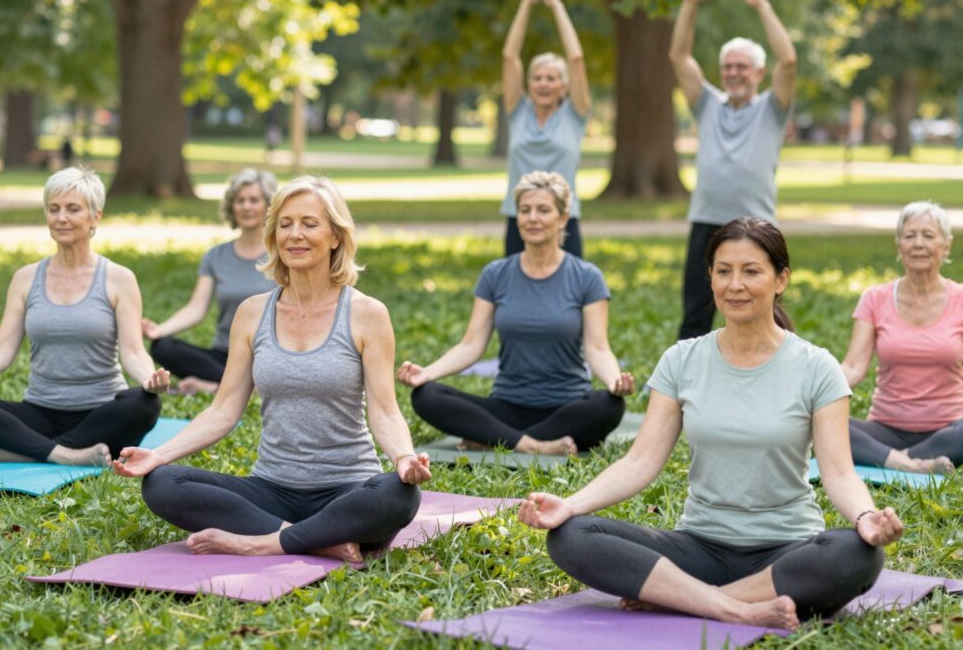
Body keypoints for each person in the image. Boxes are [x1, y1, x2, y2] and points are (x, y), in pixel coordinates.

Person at [519, 218, 902, 629]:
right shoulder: (682, 360)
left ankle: (686, 600)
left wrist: (866, 518)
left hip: (786, 551)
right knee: (571, 536)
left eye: (751, 271)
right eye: (724, 271)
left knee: (859, 554)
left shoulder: (817, 368)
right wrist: (571, 505)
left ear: (781, 280)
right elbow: (639, 462)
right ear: (711, 278)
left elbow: (840, 472)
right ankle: (736, 610)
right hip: (697, 549)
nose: (735, 285)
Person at [113, 176, 430, 563]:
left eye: (309, 223)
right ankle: (314, 539)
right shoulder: (252, 313)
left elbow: (384, 409)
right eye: (285, 223)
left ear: (335, 236)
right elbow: (223, 409)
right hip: (272, 491)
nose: (295, 234)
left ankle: (261, 542)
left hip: (346, 489)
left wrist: (403, 458)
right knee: (162, 483)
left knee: (400, 496)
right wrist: (159, 455)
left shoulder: (367, 314)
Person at [0, 167, 168, 466]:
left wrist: (149, 379)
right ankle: (66, 455)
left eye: (73, 209)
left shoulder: (118, 278)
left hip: (101, 414)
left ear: (95, 216)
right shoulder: (25, 278)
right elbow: (0, 351)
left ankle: (25, 451)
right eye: (53, 209)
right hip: (39, 412)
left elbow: (134, 351)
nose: (61, 218)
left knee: (145, 404)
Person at [399, 171, 633, 456]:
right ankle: (533, 445)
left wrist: (613, 381)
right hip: (506, 407)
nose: (532, 218)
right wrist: (427, 373)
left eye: (543, 210)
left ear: (562, 218)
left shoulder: (587, 277)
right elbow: (471, 345)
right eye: (525, 210)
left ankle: (493, 440)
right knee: (427, 396)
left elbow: (598, 347)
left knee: (608, 405)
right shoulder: (495, 274)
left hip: (567, 407)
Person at [669, 0, 797, 340]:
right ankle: (681, 391)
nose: (734, 73)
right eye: (728, 67)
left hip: (757, 224)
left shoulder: (771, 109)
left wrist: (761, 5)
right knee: (696, 314)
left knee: (763, 312)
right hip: (707, 220)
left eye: (742, 67)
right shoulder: (707, 104)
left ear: (758, 73)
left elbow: (788, 60)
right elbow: (679, 57)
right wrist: (690, 3)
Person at [840, 201, 962, 474]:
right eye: (909, 236)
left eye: (928, 235)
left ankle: (891, 460)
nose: (918, 243)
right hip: (885, 428)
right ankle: (910, 464)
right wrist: (812, 392)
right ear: (899, 245)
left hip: (950, 429)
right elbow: (853, 367)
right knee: (819, 422)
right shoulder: (875, 298)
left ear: (946, 245)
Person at [143, 168, 277, 394]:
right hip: (223, 356)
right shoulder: (216, 256)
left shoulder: (283, 255)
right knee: (163, 347)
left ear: (268, 205)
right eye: (239, 200)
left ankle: (213, 387)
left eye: (254, 200)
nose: (246, 206)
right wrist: (159, 330)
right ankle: (240, 387)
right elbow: (196, 308)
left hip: (267, 355)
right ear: (231, 207)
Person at [501, 0, 591, 258]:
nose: (543, 83)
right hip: (520, 218)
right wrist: (527, 4)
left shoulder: (575, 114)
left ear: (563, 86)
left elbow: (576, 58)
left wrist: (556, 6)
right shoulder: (519, 111)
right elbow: (510, 55)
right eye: (537, 77)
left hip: (564, 218)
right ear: (528, 84)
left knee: (570, 295)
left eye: (551, 78)